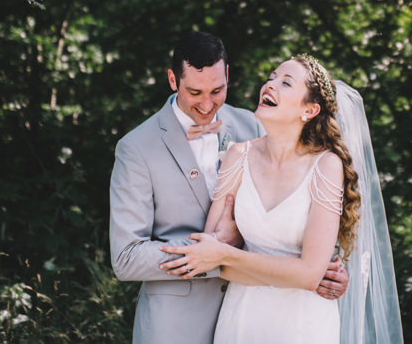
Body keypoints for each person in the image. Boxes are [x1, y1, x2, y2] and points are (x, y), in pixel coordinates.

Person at [109, 33, 349, 344]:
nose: (207, 104)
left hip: (267, 316)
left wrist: (325, 271)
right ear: (172, 79)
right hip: (177, 325)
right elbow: (127, 257)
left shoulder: (256, 125)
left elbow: (297, 223)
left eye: (217, 90)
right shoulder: (137, 148)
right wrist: (210, 252)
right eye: (195, 92)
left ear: (227, 76)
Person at [159, 54, 363, 344]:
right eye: (271, 77)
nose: (270, 84)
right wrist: (294, 274)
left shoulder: (326, 166)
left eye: (286, 82)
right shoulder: (238, 156)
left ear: (310, 109)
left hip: (303, 325)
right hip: (241, 319)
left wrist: (228, 255)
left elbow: (308, 274)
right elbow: (207, 256)